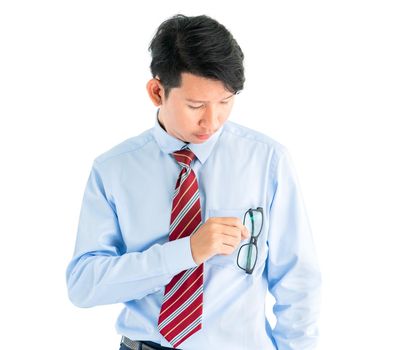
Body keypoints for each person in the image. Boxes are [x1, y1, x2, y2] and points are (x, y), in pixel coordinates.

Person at [66, 14, 321, 350]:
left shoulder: (267, 161)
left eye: (225, 102)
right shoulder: (113, 170)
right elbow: (84, 285)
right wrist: (186, 252)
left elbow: (297, 280)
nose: (212, 121)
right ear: (157, 91)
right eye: (196, 105)